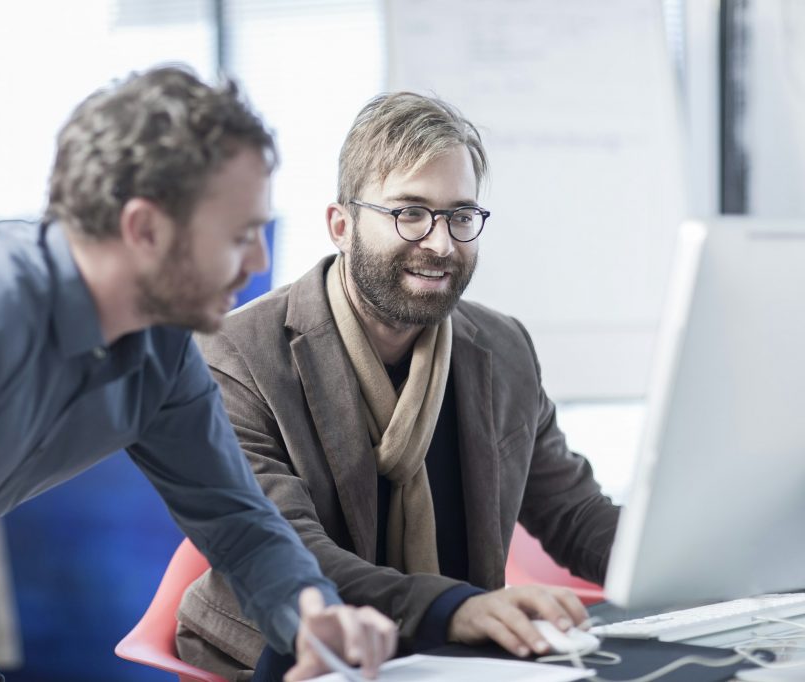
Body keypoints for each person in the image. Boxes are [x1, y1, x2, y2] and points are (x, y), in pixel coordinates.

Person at [0, 66, 397, 682]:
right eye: (240, 236)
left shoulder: (159, 351)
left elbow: (235, 521)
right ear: (144, 229)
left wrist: (310, 611)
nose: (259, 261)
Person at [175, 92, 621, 679]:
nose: (440, 243)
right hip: (291, 654)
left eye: (461, 215)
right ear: (341, 224)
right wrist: (453, 608)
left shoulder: (503, 348)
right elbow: (289, 553)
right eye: (409, 212)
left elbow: (572, 512)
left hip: (458, 657)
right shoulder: (236, 355)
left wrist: (698, 558)